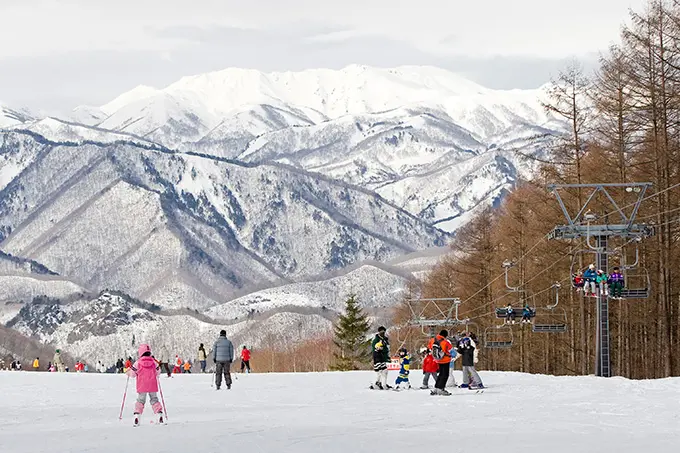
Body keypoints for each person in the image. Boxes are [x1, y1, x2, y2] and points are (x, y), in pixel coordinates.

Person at [126, 344, 165, 426]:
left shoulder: (138, 363)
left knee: (140, 400)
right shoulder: (154, 362)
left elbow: (132, 374)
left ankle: (137, 416)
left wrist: (128, 372)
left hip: (142, 385)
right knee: (154, 399)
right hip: (152, 385)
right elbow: (158, 371)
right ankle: (159, 415)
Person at [428, 330, 453, 396]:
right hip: (445, 360)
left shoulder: (432, 340)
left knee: (441, 374)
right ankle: (441, 388)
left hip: (437, 359)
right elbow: (450, 350)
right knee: (445, 375)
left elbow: (430, 347)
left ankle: (436, 388)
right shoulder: (445, 342)